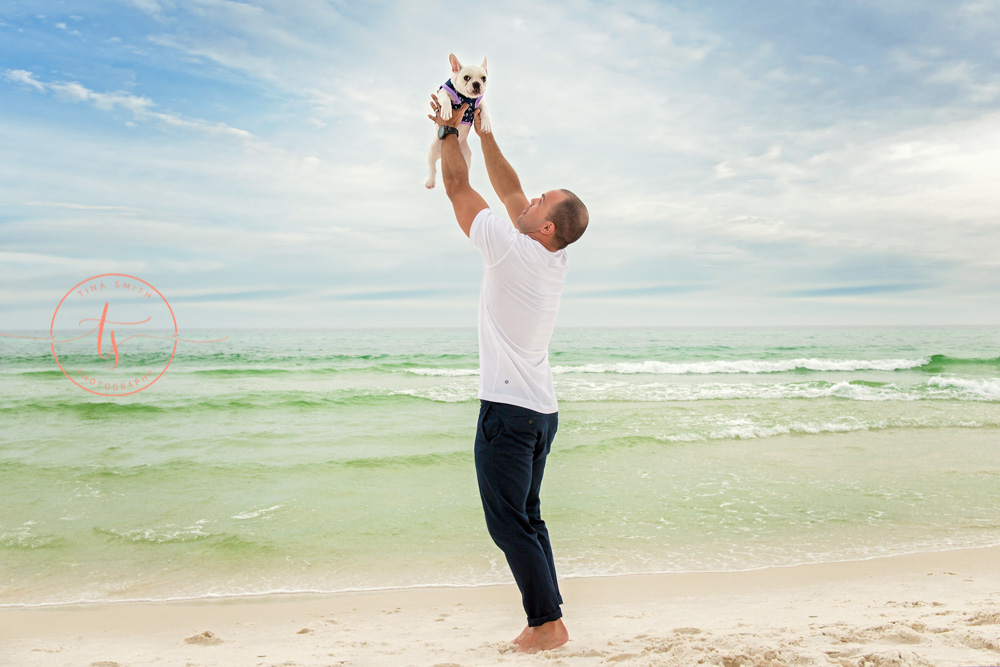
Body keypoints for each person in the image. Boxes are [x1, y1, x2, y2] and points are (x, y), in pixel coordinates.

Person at [426, 97, 589, 654]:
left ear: (545, 225)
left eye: (542, 200)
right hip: (540, 413)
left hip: (510, 412)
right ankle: (548, 620)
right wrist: (484, 129)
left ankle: (546, 625)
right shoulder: (552, 254)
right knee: (528, 518)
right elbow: (512, 190)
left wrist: (452, 131)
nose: (529, 196)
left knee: (507, 524)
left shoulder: (507, 248)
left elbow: (458, 190)